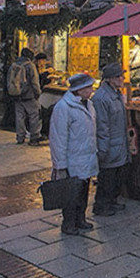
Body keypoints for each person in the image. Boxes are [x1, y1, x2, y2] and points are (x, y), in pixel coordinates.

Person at [49, 73, 99, 235]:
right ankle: (68, 223)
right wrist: (60, 164)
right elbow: (58, 137)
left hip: (86, 155)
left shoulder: (89, 105)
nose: (92, 90)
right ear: (80, 89)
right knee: (71, 192)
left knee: (83, 189)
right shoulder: (63, 107)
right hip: (72, 158)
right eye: (89, 87)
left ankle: (81, 218)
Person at [92, 63, 129, 217]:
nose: (122, 78)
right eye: (118, 76)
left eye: (121, 75)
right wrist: (103, 148)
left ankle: (112, 201)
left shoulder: (117, 94)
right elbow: (102, 126)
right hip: (110, 143)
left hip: (119, 142)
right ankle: (101, 205)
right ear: (109, 79)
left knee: (116, 176)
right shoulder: (101, 98)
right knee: (107, 177)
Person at [8, 48, 41, 145]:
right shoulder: (30, 66)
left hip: (17, 95)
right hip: (29, 95)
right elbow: (34, 82)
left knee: (19, 116)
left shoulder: (14, 65)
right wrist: (37, 93)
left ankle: (20, 137)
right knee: (34, 116)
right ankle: (34, 137)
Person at [35, 52, 55, 139]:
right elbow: (38, 79)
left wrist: (50, 79)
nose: (43, 62)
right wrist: (46, 73)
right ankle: (36, 133)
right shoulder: (34, 68)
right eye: (42, 60)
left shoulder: (42, 68)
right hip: (36, 94)